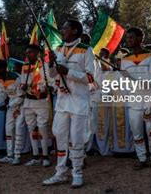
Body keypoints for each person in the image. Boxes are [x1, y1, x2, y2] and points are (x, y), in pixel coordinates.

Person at [43, 19, 95, 188]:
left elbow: (91, 78)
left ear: (74, 31)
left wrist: (69, 72)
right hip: (62, 101)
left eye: (65, 28)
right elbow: (52, 75)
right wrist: (51, 63)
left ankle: (77, 173)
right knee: (59, 135)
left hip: (79, 102)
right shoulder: (58, 50)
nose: (62, 30)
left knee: (77, 139)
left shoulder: (86, 50)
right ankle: (60, 173)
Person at [121, 27, 151, 171]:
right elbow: (124, 84)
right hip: (134, 101)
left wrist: (149, 83)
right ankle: (141, 158)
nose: (129, 40)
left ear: (140, 38)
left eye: (132, 37)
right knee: (136, 130)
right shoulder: (125, 60)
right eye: (128, 38)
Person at [20, 44, 51, 167]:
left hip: (41, 102)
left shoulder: (45, 65)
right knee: (32, 128)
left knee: (42, 128)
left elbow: (49, 81)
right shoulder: (25, 66)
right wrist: (23, 86)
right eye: (27, 52)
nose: (28, 54)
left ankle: (45, 156)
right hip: (28, 102)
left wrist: (42, 88)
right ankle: (35, 156)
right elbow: (23, 81)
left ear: (38, 53)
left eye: (30, 52)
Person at [0, 60, 24, 165]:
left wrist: (8, 105)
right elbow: (2, 95)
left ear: (3, 69)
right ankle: (9, 155)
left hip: (21, 105)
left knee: (18, 128)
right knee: (8, 129)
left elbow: (22, 96)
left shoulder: (16, 77)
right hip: (10, 106)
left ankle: (17, 156)